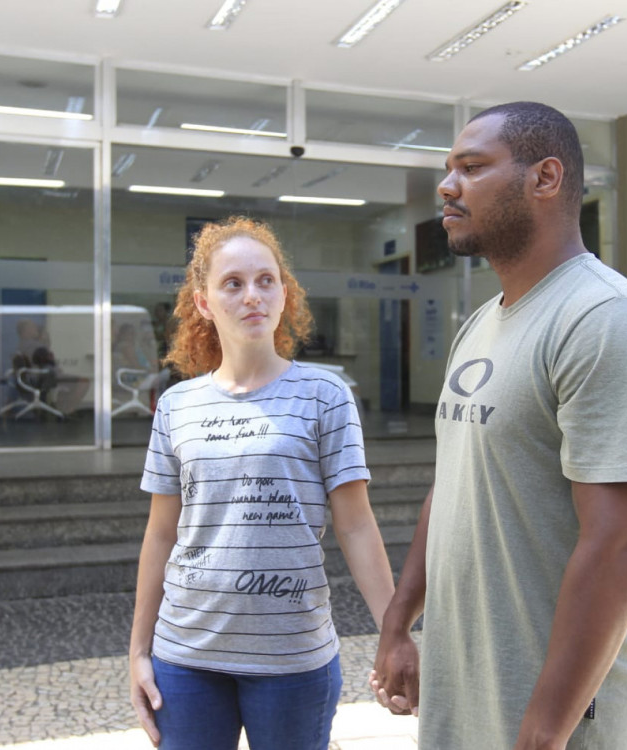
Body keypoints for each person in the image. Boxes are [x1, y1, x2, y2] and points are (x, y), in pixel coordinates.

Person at [370, 102, 627, 749]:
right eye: (448, 168)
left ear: (545, 179)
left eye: (472, 167)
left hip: (555, 719)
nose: (447, 185)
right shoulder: (483, 321)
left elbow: (619, 544)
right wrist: (399, 620)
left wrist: (543, 733)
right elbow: (455, 481)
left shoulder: (609, 321)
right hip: (467, 693)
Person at [129, 217, 396, 750]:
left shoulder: (326, 395)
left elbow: (357, 525)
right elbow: (161, 534)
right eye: (232, 283)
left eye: (266, 280)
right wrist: (139, 651)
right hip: (186, 654)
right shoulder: (178, 405)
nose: (252, 295)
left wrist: (394, 636)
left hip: (292, 655)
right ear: (204, 303)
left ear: (283, 293)